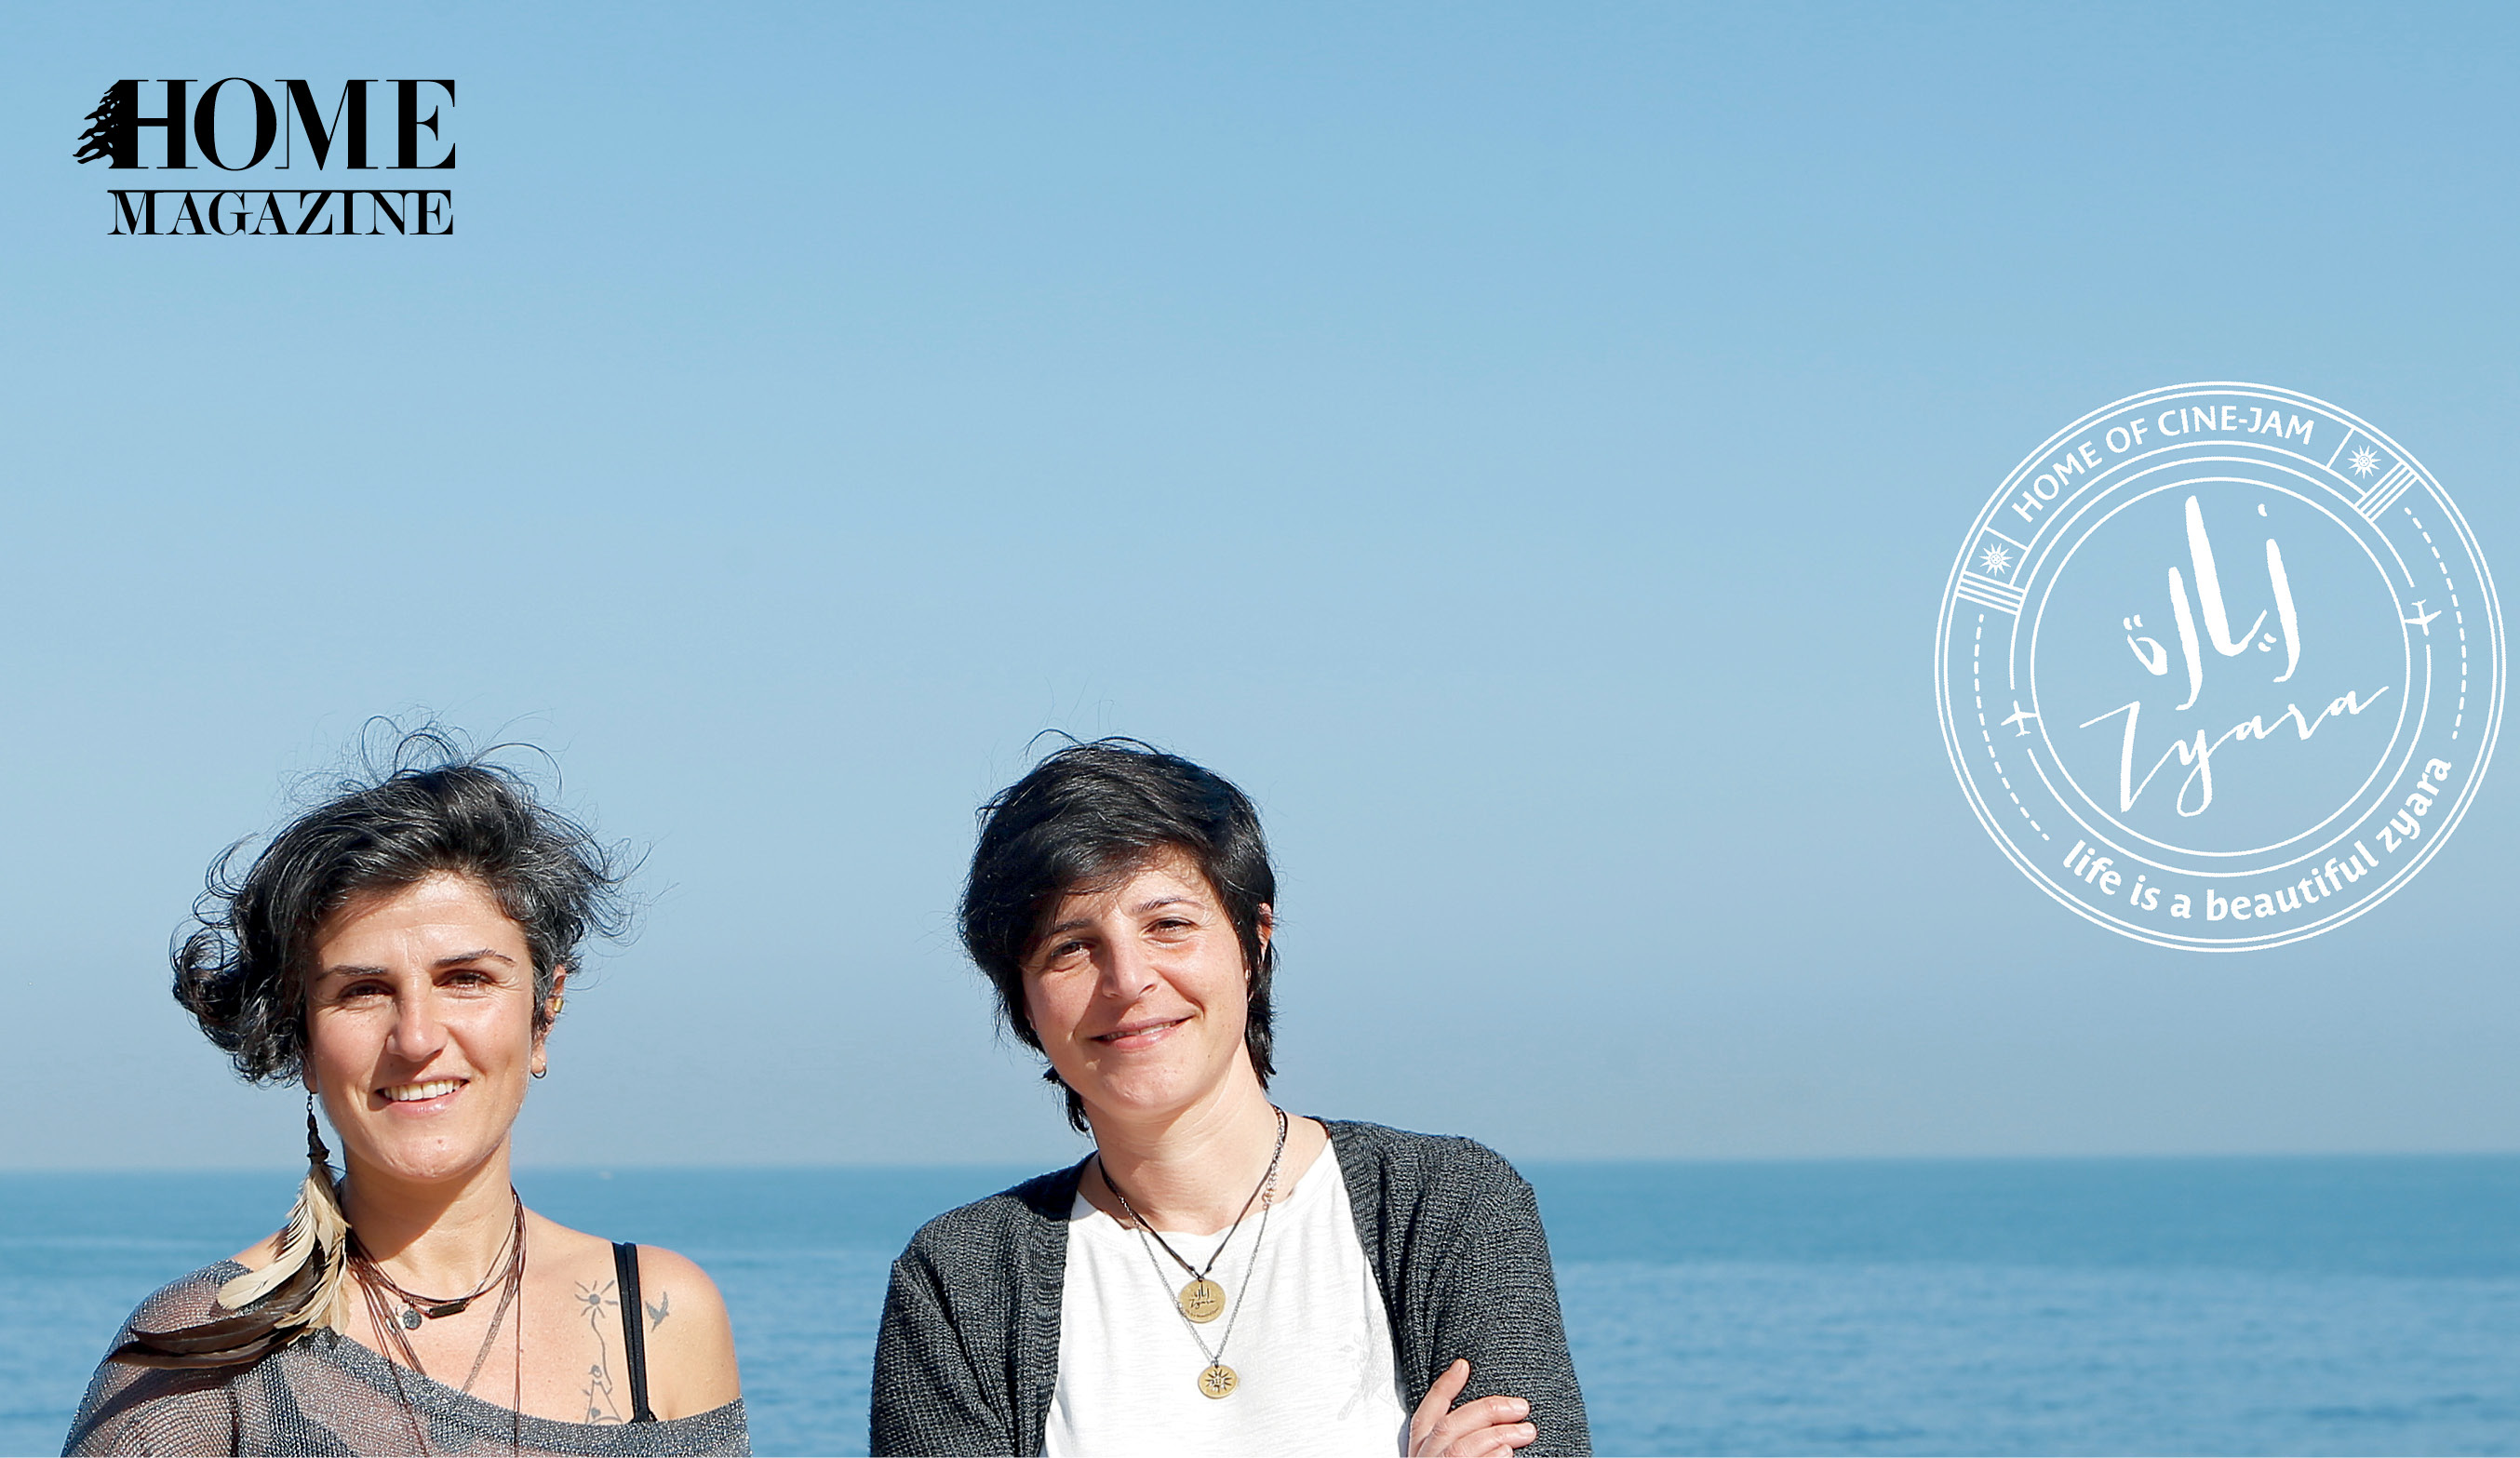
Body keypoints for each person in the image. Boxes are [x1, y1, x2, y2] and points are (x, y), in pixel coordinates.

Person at [872, 740, 1588, 1457]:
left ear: (1254, 941)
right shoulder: (959, 1281)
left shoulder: (1447, 1206)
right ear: (1023, 1001)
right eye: (1071, 945)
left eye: (1169, 924)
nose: (1128, 979)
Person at [66, 736, 748, 1455]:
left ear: (544, 1012)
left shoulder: (659, 1319)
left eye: (466, 979)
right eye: (363, 990)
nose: (417, 1036)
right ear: (300, 1037)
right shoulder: (203, 1353)